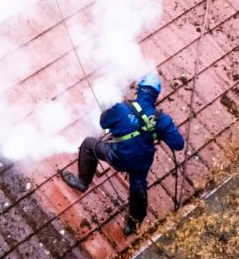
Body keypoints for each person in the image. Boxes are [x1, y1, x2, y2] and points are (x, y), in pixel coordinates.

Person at [61, 72, 185, 235]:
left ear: (139, 90)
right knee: (139, 186)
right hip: (140, 164)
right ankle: (131, 226)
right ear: (155, 96)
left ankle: (82, 181)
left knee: (89, 144)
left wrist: (110, 113)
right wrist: (162, 130)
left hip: (117, 157)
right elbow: (179, 144)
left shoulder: (121, 108)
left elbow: (104, 123)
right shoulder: (162, 120)